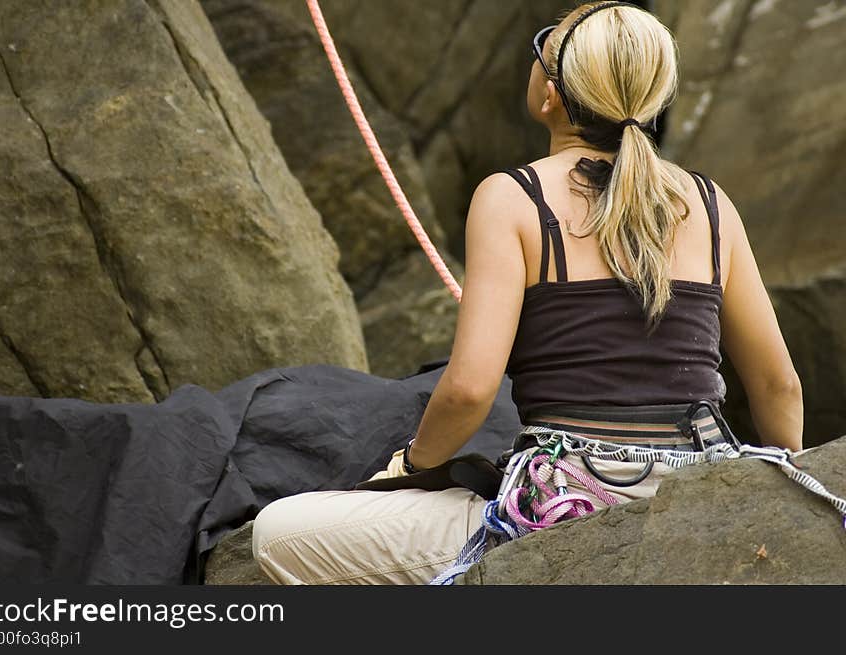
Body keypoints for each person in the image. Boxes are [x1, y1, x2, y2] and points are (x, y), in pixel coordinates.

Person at [251, 1, 803, 585]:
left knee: (279, 533)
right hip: (699, 490)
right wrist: (774, 498)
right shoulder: (710, 205)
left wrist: (409, 466)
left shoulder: (513, 198)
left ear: (551, 96)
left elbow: (468, 392)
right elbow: (779, 385)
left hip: (568, 506)